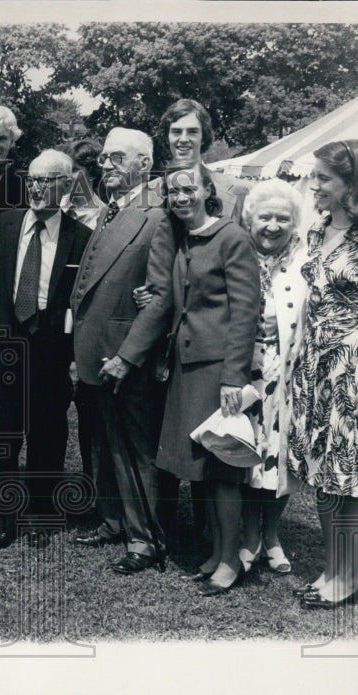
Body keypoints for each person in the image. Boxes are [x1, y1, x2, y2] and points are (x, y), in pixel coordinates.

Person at [288, 140, 358, 609]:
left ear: (352, 185)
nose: (312, 185)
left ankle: (349, 578)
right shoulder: (317, 233)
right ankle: (332, 568)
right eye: (313, 176)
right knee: (324, 474)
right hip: (316, 369)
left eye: (323, 179)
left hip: (357, 372)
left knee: (353, 478)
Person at [70, 128, 177, 573]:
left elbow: (160, 297)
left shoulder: (157, 215)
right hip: (95, 348)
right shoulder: (112, 211)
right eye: (104, 158)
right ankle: (113, 519)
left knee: (137, 448)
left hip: (125, 353)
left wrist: (129, 355)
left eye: (117, 158)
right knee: (103, 443)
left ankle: (146, 538)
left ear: (144, 165)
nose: (106, 165)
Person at [153, 163, 260, 596]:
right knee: (202, 466)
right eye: (172, 192)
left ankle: (231, 561)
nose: (181, 197)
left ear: (207, 190)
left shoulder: (231, 237)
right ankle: (217, 552)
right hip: (186, 366)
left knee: (222, 469)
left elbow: (245, 312)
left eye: (188, 189)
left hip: (218, 372)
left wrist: (233, 377)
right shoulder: (182, 238)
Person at [0, 150, 92, 552]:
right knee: (2, 431)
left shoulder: (80, 237)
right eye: (32, 179)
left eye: (47, 180)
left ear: (66, 185)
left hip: (51, 344)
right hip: (7, 338)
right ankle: (4, 519)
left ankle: (42, 516)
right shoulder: (4, 224)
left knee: (48, 430)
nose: (37, 187)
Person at [237, 180, 308, 575]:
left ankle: (273, 535)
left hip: (287, 375)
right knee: (248, 454)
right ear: (251, 219)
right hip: (246, 370)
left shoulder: (305, 259)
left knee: (279, 457)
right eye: (265, 217)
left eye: (283, 218)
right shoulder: (238, 254)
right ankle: (249, 536)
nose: (273, 225)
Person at [159, 98, 247, 224]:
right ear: (167, 137)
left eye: (192, 132)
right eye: (177, 132)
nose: (183, 139)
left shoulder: (238, 191)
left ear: (204, 137)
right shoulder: (149, 193)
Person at [60, 137, 106, 228]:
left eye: (74, 170)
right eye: (66, 170)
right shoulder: (56, 205)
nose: (67, 176)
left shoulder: (101, 216)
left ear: (93, 173)